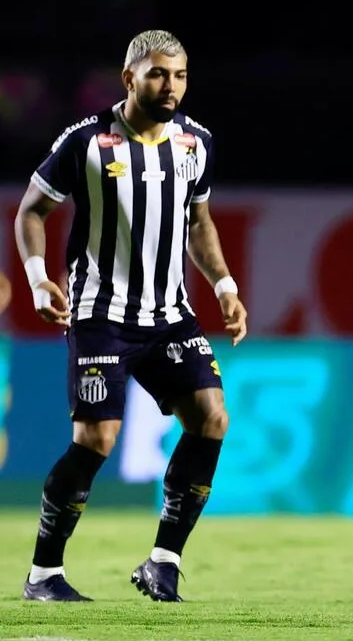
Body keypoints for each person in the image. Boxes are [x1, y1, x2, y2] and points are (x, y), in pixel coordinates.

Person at [14, 30, 248, 602]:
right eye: (159, 75)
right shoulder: (86, 142)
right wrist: (40, 279)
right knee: (96, 438)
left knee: (211, 418)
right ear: (130, 78)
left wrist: (223, 283)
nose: (171, 86)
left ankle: (163, 562)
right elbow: (31, 211)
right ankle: (44, 574)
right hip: (101, 314)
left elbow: (198, 222)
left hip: (170, 313)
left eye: (181, 75)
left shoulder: (197, 143)